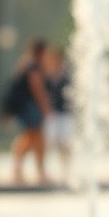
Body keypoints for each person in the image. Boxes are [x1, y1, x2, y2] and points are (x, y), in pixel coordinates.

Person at [9, 37, 51, 184]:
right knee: (31, 136)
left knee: (35, 137)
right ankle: (24, 169)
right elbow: (37, 87)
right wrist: (45, 106)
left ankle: (31, 169)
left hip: (27, 107)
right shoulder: (34, 67)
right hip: (31, 107)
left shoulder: (26, 64)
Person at [42, 44, 74, 184]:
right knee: (50, 141)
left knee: (65, 142)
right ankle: (45, 169)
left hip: (64, 113)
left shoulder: (66, 76)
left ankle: (65, 169)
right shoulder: (47, 76)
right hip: (52, 114)